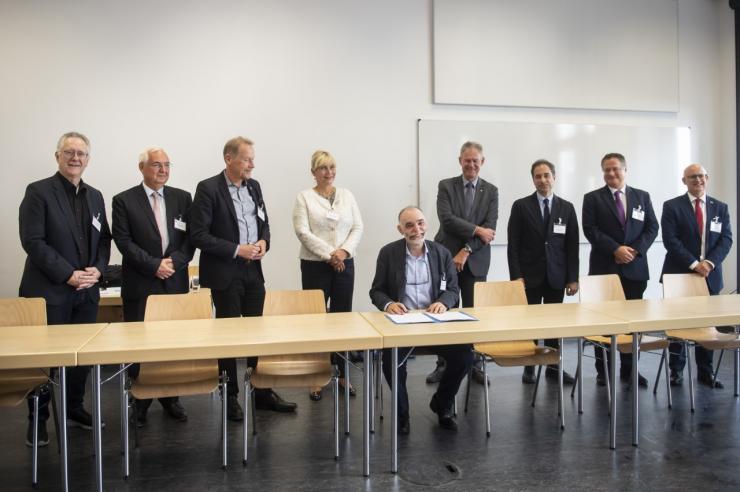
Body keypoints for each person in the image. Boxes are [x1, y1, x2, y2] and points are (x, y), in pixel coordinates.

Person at [189, 136, 296, 421]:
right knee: (228, 337)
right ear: (228, 158)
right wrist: (238, 249)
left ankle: (261, 392)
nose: (252, 164)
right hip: (225, 271)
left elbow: (265, 223)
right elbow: (198, 235)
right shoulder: (208, 188)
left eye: (252, 158)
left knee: (257, 332)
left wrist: (263, 243)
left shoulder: (254, 186)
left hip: (253, 270)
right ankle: (230, 395)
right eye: (247, 159)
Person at [18, 131, 111, 445]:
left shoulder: (95, 196)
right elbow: (33, 241)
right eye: (69, 152)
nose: (75, 158)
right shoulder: (38, 192)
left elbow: (104, 240)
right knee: (44, 362)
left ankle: (73, 409)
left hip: (86, 293)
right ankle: (38, 420)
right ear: (57, 156)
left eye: (81, 154)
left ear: (88, 159)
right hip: (49, 291)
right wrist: (68, 274)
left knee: (79, 358)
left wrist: (97, 269)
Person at [370, 206, 473, 434]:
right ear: (400, 230)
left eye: (420, 223)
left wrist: (444, 302)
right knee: (391, 362)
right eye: (409, 225)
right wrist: (389, 304)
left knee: (465, 356)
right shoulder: (388, 253)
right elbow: (376, 291)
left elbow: (453, 289)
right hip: (401, 324)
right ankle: (402, 413)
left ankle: (442, 403)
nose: (417, 229)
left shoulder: (441, 253)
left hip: (434, 323)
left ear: (426, 224)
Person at [112, 147, 194, 426]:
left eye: (167, 165)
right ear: (142, 168)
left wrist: (173, 263)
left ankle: (171, 397)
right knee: (140, 344)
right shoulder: (123, 200)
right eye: (156, 165)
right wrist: (153, 265)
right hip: (141, 283)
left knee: (172, 343)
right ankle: (141, 399)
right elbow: (123, 242)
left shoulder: (183, 198)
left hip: (174, 281)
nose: (163, 170)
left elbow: (189, 241)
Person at [292, 150, 363, 401]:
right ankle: (317, 376)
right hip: (315, 265)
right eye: (323, 168)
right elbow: (302, 231)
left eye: (332, 167)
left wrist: (343, 252)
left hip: (345, 262)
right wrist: (330, 254)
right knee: (317, 321)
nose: (329, 172)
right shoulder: (304, 197)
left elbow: (357, 226)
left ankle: (343, 374)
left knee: (342, 318)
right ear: (313, 172)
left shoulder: (347, 195)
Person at [582, 152, 658, 387]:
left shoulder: (641, 197)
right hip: (605, 269)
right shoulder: (592, 198)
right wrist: (616, 249)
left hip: (635, 269)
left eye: (615, 169)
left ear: (625, 170)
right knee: (603, 324)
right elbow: (590, 229)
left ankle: (629, 370)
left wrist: (633, 250)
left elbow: (652, 227)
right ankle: (603, 372)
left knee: (631, 324)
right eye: (606, 169)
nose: (611, 173)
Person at [430, 141, 498, 385]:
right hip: (446, 257)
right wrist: (477, 230)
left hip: (475, 260)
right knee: (443, 310)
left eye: (475, 161)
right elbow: (447, 220)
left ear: (482, 162)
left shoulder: (491, 191)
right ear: (460, 161)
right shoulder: (446, 186)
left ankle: (474, 364)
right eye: (467, 160)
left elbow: (489, 233)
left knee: (473, 313)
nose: (471, 165)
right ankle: (443, 363)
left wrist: (467, 249)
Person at [507, 159, 579, 385]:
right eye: (538, 176)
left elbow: (572, 246)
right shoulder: (521, 206)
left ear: (554, 177)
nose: (543, 180)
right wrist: (516, 276)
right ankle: (529, 366)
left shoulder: (566, 208)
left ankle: (552, 366)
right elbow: (513, 244)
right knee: (529, 323)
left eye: (547, 175)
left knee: (554, 324)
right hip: (529, 276)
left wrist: (573, 278)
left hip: (557, 276)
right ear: (533, 179)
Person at [661, 164, 733, 388]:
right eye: (692, 177)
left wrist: (709, 263)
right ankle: (676, 371)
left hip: (709, 276)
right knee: (678, 326)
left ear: (707, 178)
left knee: (706, 326)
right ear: (684, 181)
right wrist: (694, 264)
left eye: (701, 176)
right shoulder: (672, 206)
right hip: (679, 275)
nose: (698, 180)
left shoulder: (720, 207)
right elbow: (671, 241)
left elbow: (726, 239)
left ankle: (705, 372)